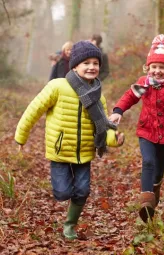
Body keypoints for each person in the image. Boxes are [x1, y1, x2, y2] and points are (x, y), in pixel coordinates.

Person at [15, 41, 124, 239]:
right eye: (86, 63)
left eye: (95, 63)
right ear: (74, 65)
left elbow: (104, 125)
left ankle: (69, 225)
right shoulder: (57, 87)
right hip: (60, 151)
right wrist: (21, 136)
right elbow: (33, 110)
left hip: (84, 151)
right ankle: (65, 197)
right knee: (62, 193)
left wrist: (115, 138)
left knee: (82, 191)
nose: (92, 67)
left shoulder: (98, 95)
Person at [109, 34, 164, 223]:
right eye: (154, 67)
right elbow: (130, 96)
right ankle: (146, 200)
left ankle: (155, 189)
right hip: (146, 131)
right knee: (148, 162)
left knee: (158, 171)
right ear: (148, 68)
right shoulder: (144, 83)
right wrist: (118, 111)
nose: (157, 71)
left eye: (162, 67)